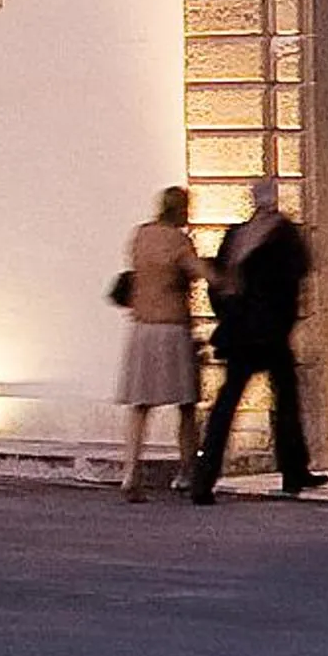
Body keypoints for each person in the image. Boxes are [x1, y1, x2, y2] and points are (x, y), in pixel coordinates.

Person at [189, 177, 327, 501]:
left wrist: (230, 315)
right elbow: (300, 273)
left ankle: (204, 479)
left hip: (241, 332)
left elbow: (218, 281)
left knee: (227, 404)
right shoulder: (282, 234)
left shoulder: (238, 235)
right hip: (269, 332)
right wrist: (284, 320)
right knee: (286, 400)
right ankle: (293, 472)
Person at [114, 185, 205, 501]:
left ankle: (130, 473)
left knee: (140, 406)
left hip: (142, 328)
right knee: (187, 404)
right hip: (171, 328)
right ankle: (187, 471)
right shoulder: (178, 242)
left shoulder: (141, 235)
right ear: (180, 209)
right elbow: (200, 271)